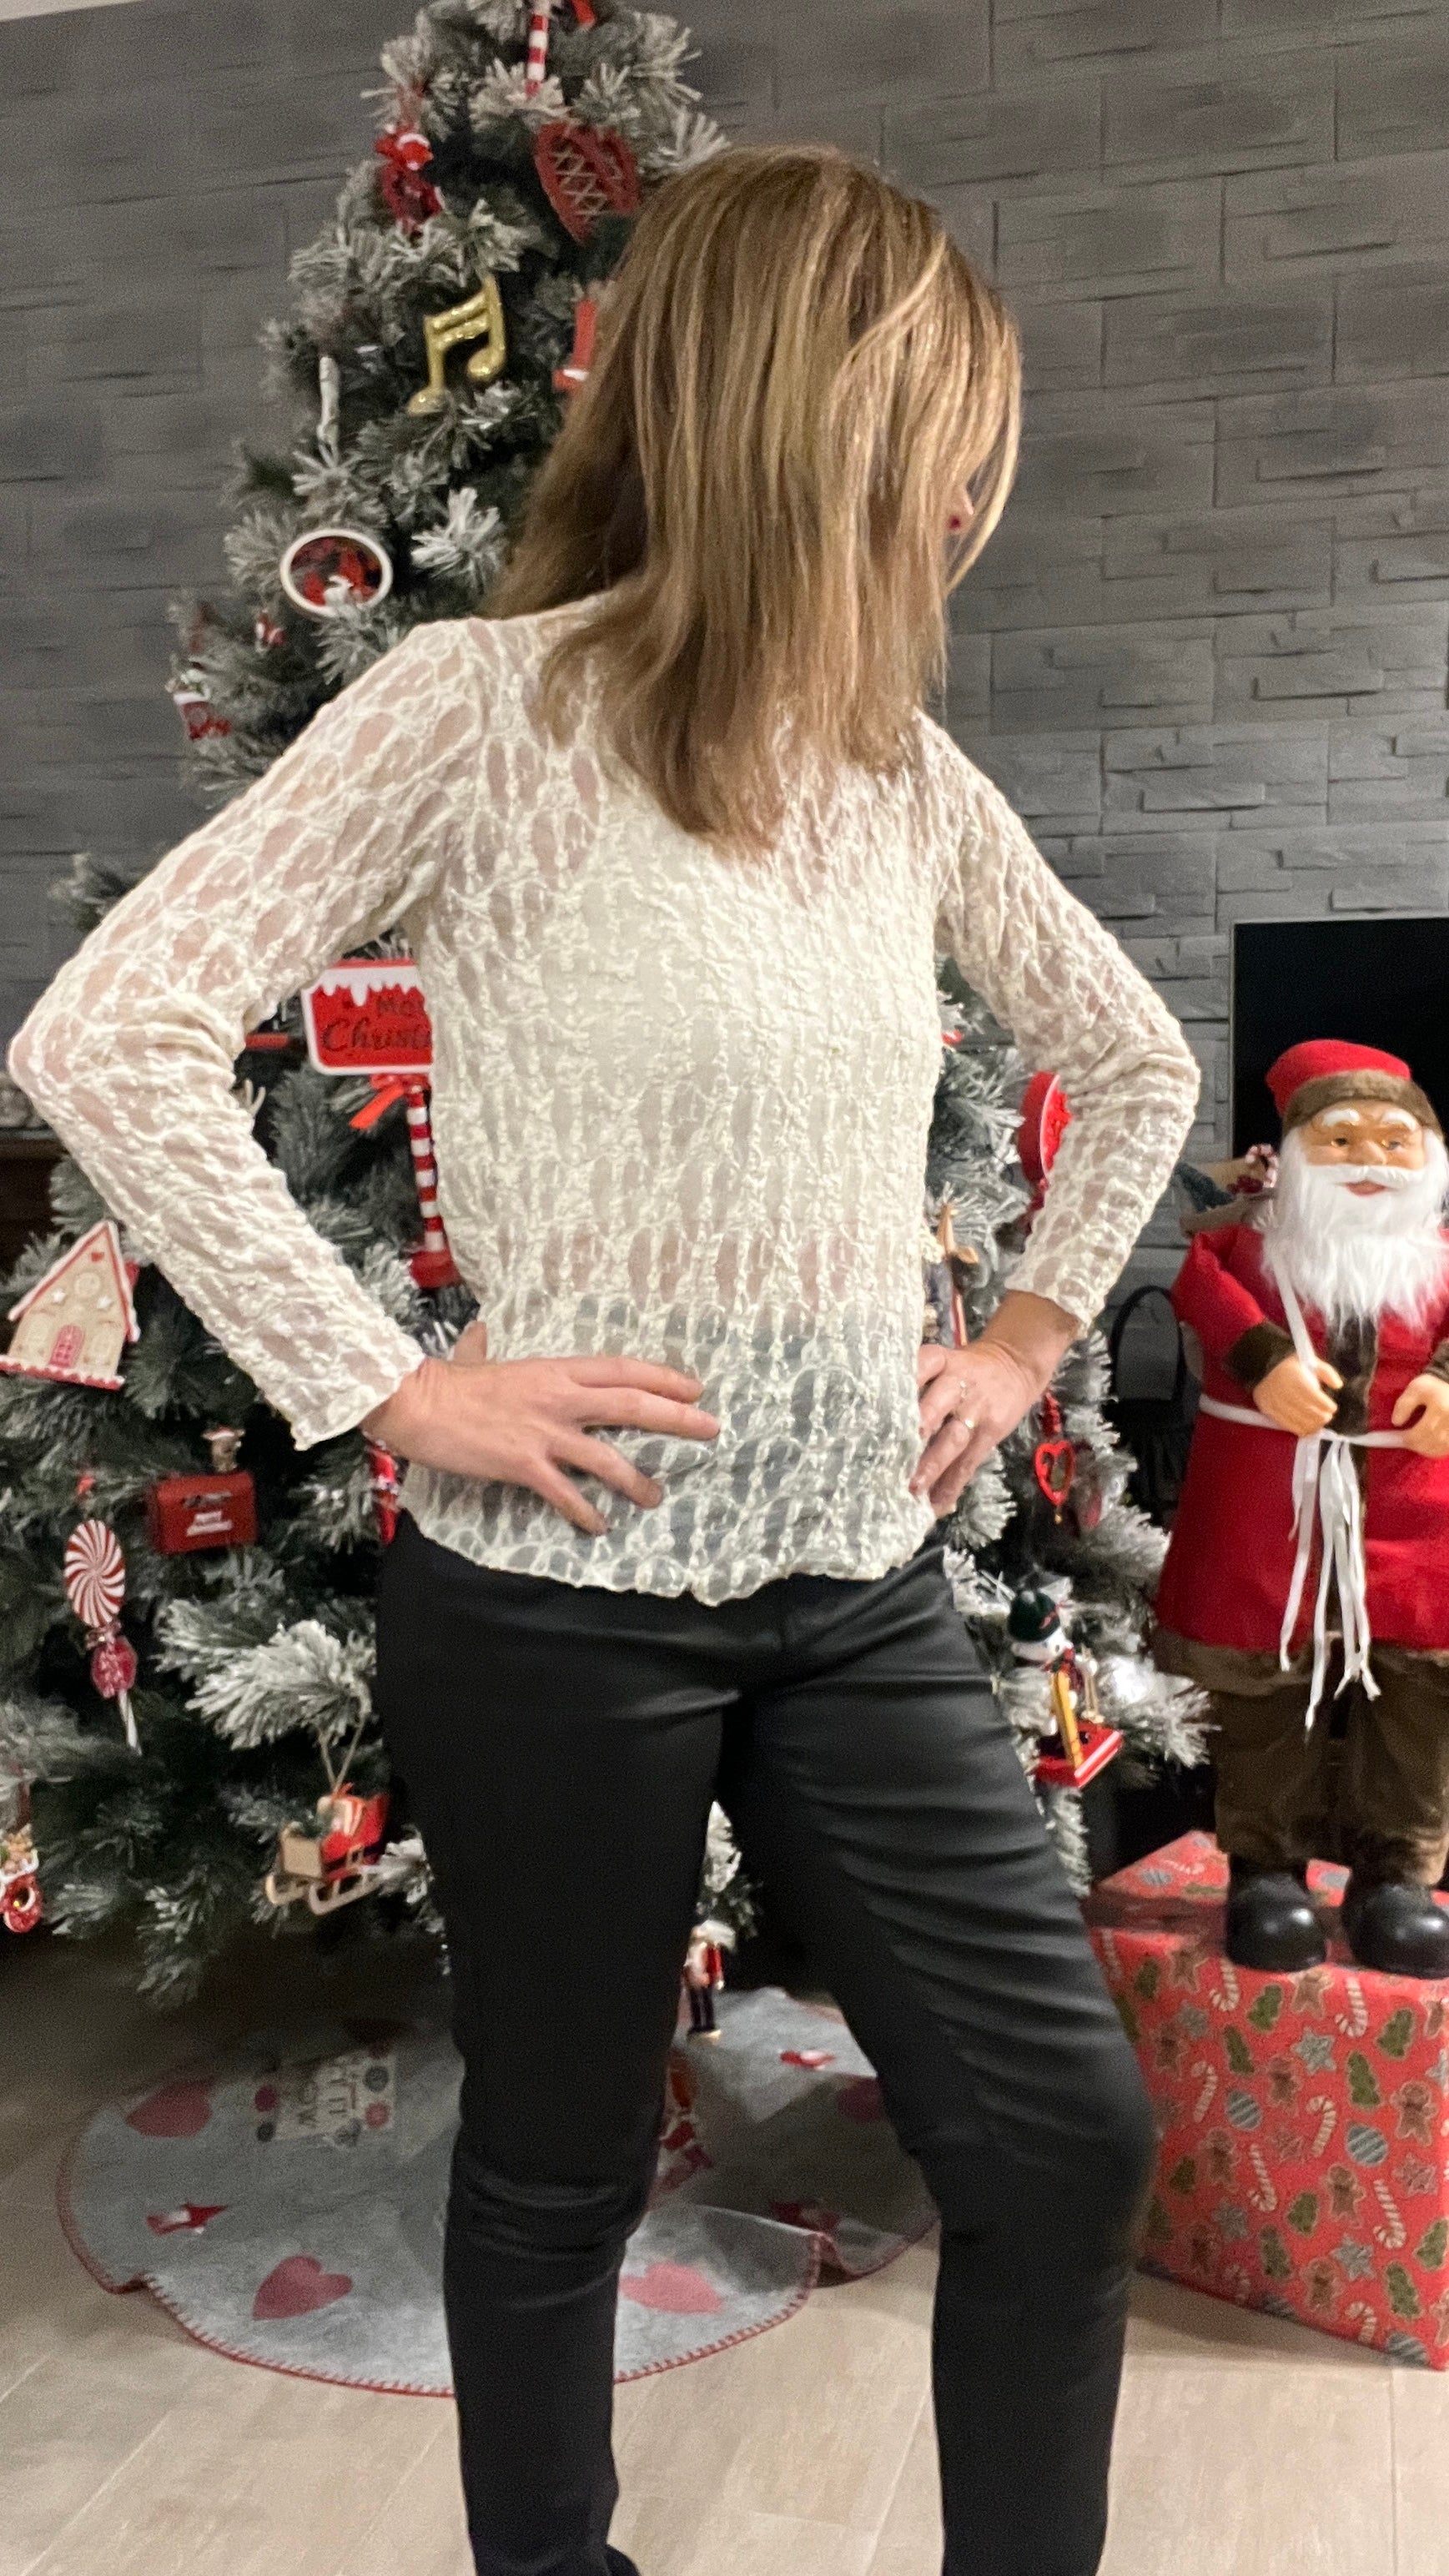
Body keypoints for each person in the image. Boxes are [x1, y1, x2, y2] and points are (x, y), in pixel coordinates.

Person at [8, 145, 1198, 2576]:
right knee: (558, 2165)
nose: (962, 503)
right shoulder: (479, 712)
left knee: (1061, 2135)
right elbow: (109, 1030)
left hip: (858, 1588)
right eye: (939, 445)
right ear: (799, 423)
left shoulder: (892, 773)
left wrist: (1025, 1336)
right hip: (552, 1605)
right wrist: (385, 1379)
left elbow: (1139, 1055)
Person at [1155, 1039, 1449, 1980]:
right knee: (1265, 1686)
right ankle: (1265, 1869)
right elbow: (1202, 1291)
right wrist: (1264, 1360)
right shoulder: (1245, 1240)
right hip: (1268, 1509)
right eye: (1342, 1137)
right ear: (1291, 1149)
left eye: (1394, 1141)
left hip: (1413, 1515)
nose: (1370, 1159)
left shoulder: (1437, 1255)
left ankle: (1397, 1877)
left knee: (1415, 1696)